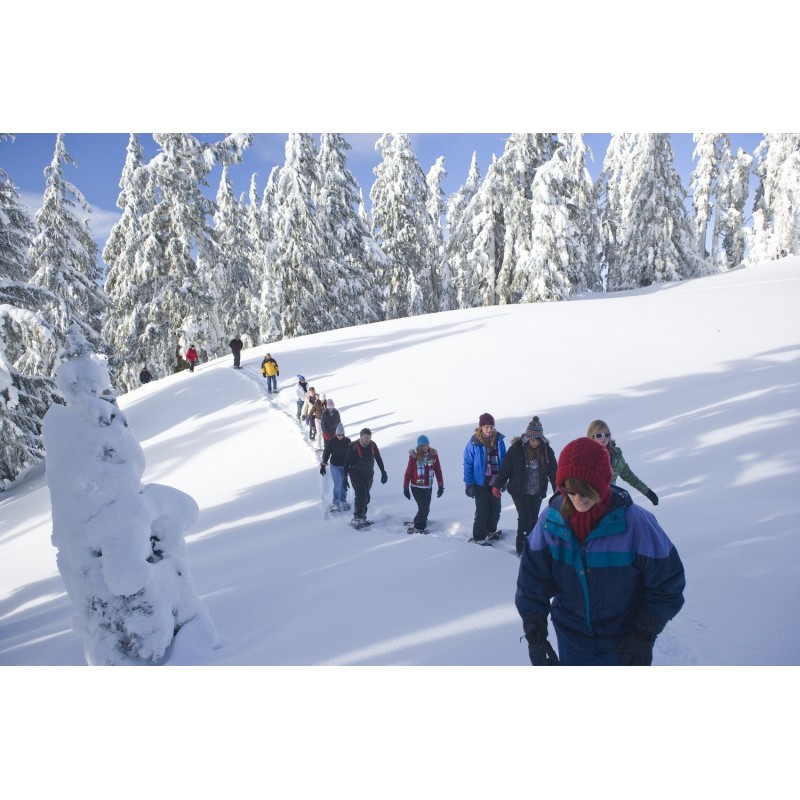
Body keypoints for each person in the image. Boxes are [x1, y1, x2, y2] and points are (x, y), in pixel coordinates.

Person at [515, 436, 685, 666]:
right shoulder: (550, 523)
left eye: (585, 491)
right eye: (569, 489)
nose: (577, 499)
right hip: (572, 642)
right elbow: (532, 580)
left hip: (623, 643)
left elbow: (668, 584)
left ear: (602, 483)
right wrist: (536, 635)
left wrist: (643, 634)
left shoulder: (636, 525)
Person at [493, 416, 558, 555]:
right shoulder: (516, 449)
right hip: (518, 491)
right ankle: (521, 549)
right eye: (532, 439)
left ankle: (532, 546)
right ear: (527, 437)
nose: (535, 443)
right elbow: (506, 470)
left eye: (537, 440)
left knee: (533, 520)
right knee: (524, 518)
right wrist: (497, 485)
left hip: (537, 491)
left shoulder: (546, 451)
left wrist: (558, 489)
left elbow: (554, 473)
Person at [587, 419, 659, 505]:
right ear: (592, 436)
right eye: (599, 435)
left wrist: (647, 492)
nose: (604, 438)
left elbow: (628, 475)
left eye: (606, 434)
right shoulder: (586, 455)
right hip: (590, 502)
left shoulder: (616, 455)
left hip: (611, 499)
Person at [463, 413, 507, 545]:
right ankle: (479, 537)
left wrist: (504, 479)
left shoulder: (499, 441)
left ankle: (490, 530)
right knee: (482, 511)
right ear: (481, 427)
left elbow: (504, 461)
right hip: (479, 483)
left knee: (495, 509)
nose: (489, 429)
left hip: (495, 482)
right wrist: (468, 484)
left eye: (491, 426)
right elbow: (468, 464)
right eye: (487, 426)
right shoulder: (473, 443)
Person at [342, 427, 387, 528]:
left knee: (366, 497)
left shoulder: (373, 445)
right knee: (361, 495)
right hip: (356, 474)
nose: (367, 440)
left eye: (369, 438)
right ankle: (357, 517)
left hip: (368, 475)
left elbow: (378, 458)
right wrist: (344, 477)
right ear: (361, 437)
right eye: (365, 438)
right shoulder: (353, 446)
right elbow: (346, 462)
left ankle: (362, 517)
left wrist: (383, 472)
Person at [402, 435, 444, 534]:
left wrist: (441, 485)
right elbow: (408, 472)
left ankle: (418, 520)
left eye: (427, 445)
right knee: (423, 508)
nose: (426, 447)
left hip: (428, 487)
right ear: (419, 447)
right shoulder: (414, 457)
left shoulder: (433, 455)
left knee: (426, 509)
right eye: (423, 445)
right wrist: (405, 487)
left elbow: (438, 470)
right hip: (416, 487)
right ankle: (419, 527)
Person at [320, 423, 351, 512]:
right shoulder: (332, 441)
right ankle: (335, 502)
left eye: (342, 435)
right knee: (338, 484)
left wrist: (353, 464)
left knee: (344, 483)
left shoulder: (348, 441)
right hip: (335, 466)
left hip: (345, 466)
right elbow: (326, 453)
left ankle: (343, 500)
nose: (340, 436)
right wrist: (323, 465)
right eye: (339, 435)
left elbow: (351, 454)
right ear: (336, 434)